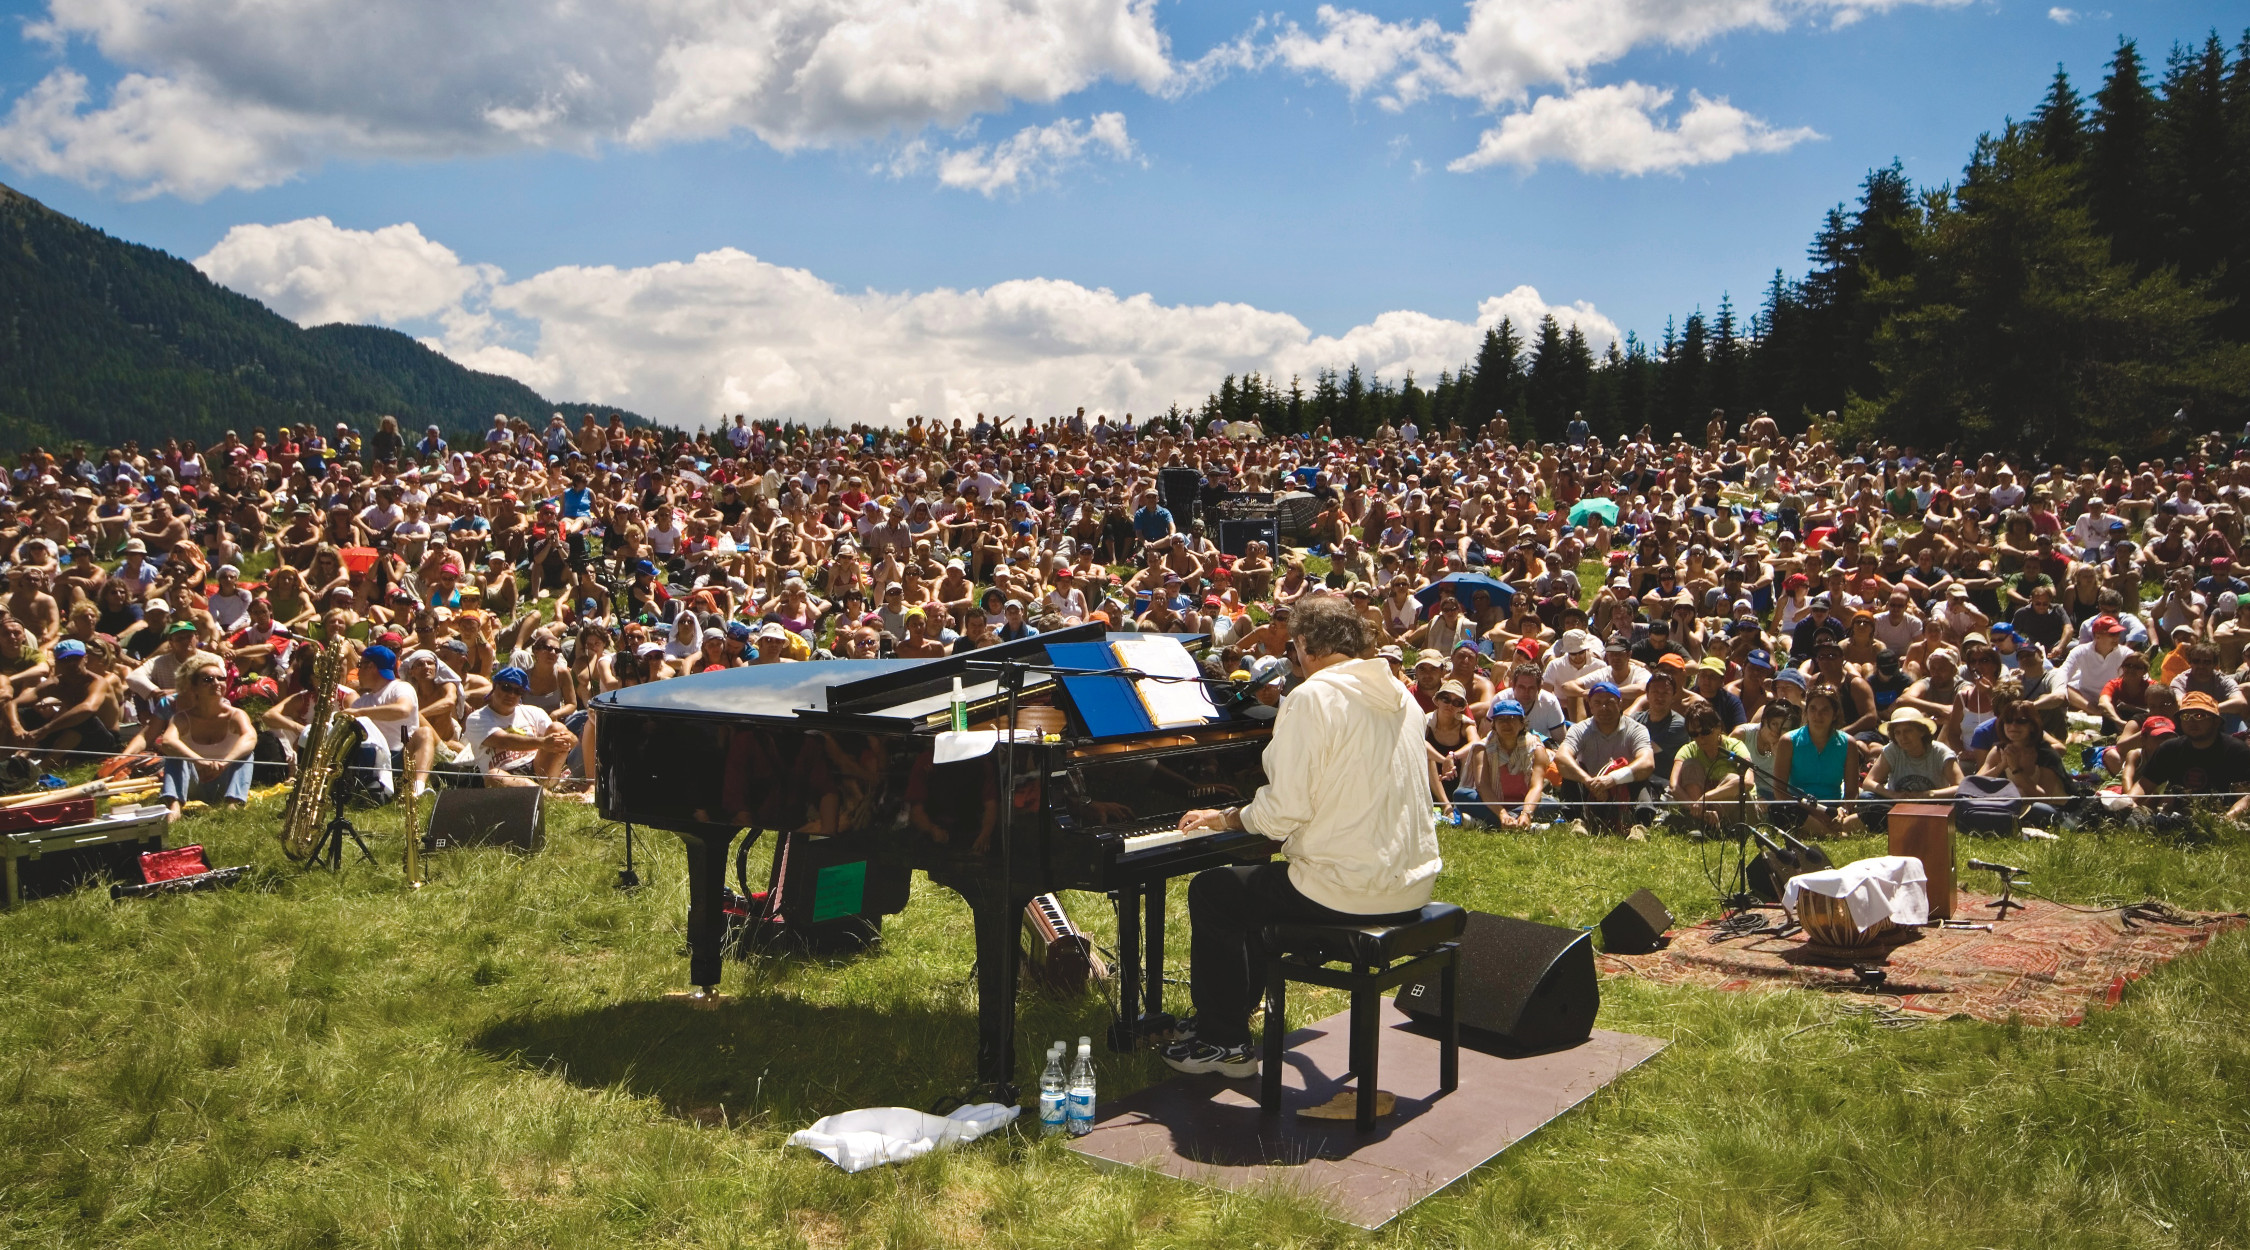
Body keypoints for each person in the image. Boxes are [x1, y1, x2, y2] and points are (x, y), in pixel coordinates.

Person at [1165, 594, 1441, 1077]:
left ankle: (1223, 1043)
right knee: (1250, 886)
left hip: (1349, 889)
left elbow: (1281, 815)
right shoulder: (1402, 697)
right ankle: (1226, 1014)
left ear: (1306, 644)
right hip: (1410, 883)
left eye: (1293, 648)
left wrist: (1226, 817)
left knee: (1214, 892)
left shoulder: (1314, 696)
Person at [157, 652, 255, 822]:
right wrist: (198, 761)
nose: (216, 683)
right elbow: (168, 741)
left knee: (246, 753)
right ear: (194, 687)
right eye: (208, 680)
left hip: (224, 781)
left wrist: (225, 763)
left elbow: (250, 738)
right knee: (175, 754)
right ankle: (174, 807)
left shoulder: (236, 715)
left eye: (221, 679)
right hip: (193, 782)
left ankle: (233, 804)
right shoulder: (182, 718)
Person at [465, 666, 577, 789]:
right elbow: (503, 741)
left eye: (518, 691)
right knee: (493, 776)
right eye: (506, 688)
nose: (511, 694)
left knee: (558, 727)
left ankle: (546, 789)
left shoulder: (533, 711)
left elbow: (573, 741)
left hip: (539, 768)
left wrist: (567, 738)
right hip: (505, 774)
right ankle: (550, 796)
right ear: (494, 687)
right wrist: (544, 742)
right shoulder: (477, 718)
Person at [1455, 698, 1554, 827]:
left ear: (1522, 724)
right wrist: (1501, 813)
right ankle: (1518, 824)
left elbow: (1536, 787)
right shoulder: (1482, 748)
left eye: (1512, 718)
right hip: (1491, 803)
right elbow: (1482, 786)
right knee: (1461, 795)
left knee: (1552, 805)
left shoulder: (1536, 748)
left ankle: (1490, 823)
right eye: (1501, 719)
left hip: (1523, 803)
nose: (1506, 724)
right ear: (1494, 724)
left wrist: (1526, 813)